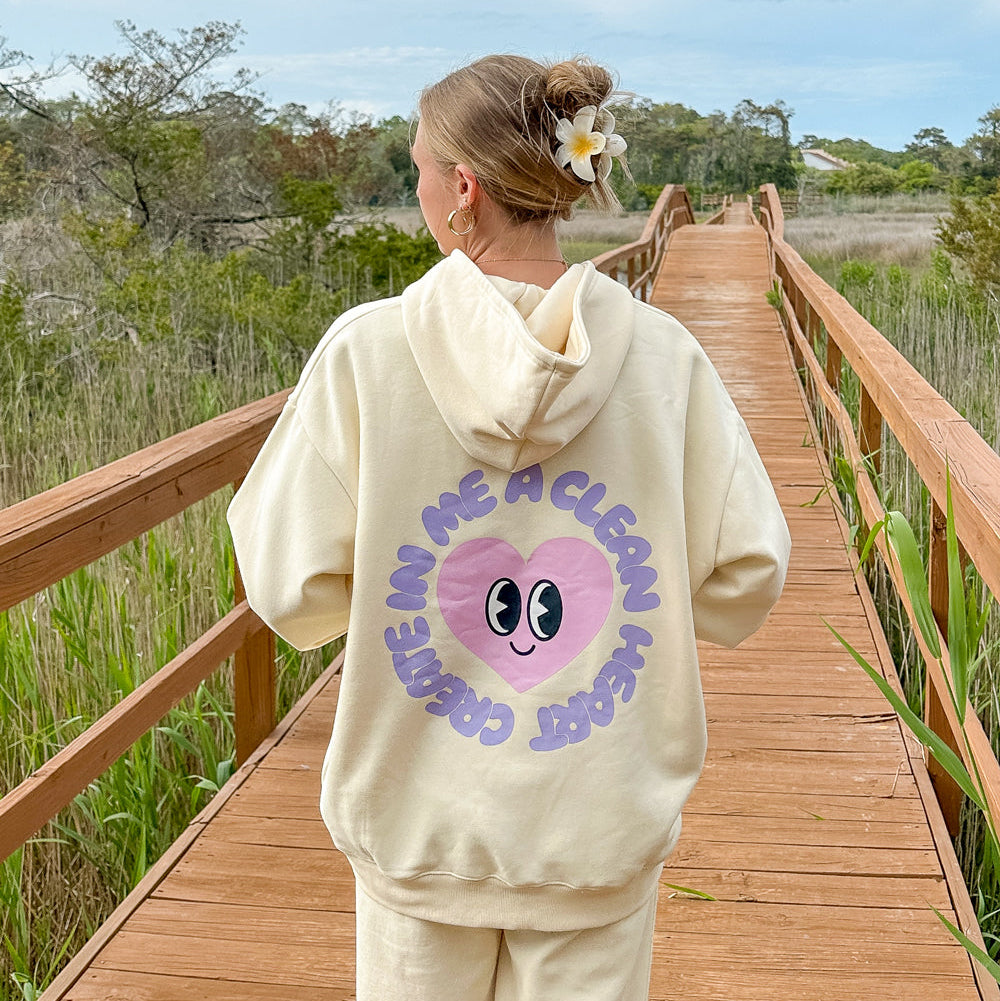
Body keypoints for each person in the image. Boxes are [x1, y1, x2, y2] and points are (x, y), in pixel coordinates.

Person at [227, 53, 791, 1001]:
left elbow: (290, 584)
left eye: (417, 167)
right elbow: (745, 576)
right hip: (598, 824)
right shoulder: (666, 359)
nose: (415, 188)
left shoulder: (367, 353)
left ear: (461, 188)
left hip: (419, 823)